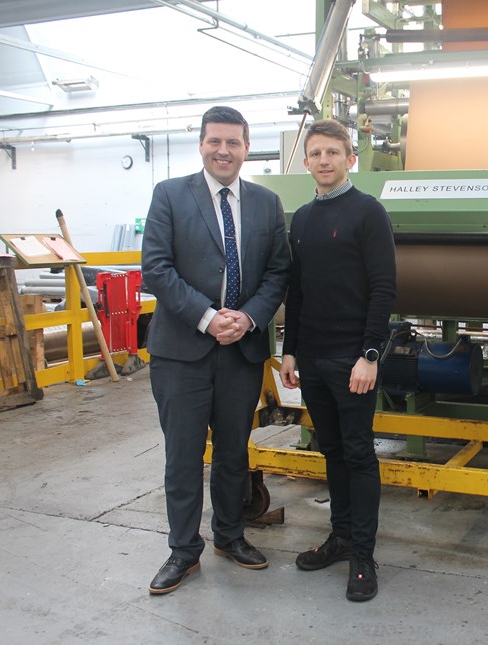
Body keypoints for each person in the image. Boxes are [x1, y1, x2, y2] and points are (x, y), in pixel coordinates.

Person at [142, 105, 291, 595]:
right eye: (215, 141)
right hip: (182, 351)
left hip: (240, 350)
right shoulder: (169, 195)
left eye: (233, 142)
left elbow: (277, 273)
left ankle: (230, 535)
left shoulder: (267, 204)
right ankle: (183, 551)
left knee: (233, 452)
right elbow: (157, 269)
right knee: (183, 455)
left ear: (247, 148)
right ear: (201, 145)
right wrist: (209, 318)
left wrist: (247, 318)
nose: (223, 150)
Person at [279, 119, 396, 602]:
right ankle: (342, 536)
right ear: (306, 162)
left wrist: (370, 355)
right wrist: (289, 350)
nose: (324, 160)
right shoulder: (302, 219)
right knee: (330, 452)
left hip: (353, 362)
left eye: (333, 152)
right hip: (313, 360)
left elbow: (382, 287)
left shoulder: (369, 212)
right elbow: (298, 291)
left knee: (357, 454)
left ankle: (364, 555)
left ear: (350, 159)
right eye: (316, 153)